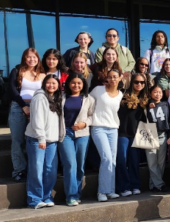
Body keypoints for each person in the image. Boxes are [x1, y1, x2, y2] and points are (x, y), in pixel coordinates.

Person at [24, 74, 63, 209]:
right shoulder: (40, 97)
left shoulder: (56, 98)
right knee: (36, 169)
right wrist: (41, 138)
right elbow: (37, 120)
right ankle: (34, 199)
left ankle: (47, 196)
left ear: (58, 85)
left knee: (50, 170)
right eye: (48, 83)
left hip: (52, 140)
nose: (51, 85)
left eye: (54, 83)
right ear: (44, 84)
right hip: (37, 139)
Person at [7, 48, 45, 182]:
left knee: (35, 139)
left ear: (38, 59)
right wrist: (24, 106)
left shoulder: (42, 74)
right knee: (17, 140)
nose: (32, 59)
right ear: (24, 58)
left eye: (34, 57)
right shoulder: (17, 71)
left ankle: (35, 169)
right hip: (18, 107)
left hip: (37, 108)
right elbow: (12, 90)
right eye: (29, 57)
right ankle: (19, 170)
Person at [58, 73, 95, 206]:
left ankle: (77, 193)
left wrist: (84, 124)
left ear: (83, 84)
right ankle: (71, 196)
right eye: (73, 82)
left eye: (79, 83)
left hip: (82, 134)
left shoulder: (88, 99)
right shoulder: (61, 97)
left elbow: (92, 116)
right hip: (65, 133)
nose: (76, 85)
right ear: (68, 84)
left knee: (79, 165)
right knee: (70, 164)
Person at [89, 68, 124, 202]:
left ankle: (110, 190)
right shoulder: (98, 90)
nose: (113, 79)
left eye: (115, 76)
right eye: (110, 77)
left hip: (113, 128)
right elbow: (87, 103)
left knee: (112, 160)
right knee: (107, 158)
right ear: (107, 78)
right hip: (98, 127)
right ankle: (102, 192)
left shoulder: (121, 94)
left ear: (120, 78)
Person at [116, 73, 149, 197]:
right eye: (136, 82)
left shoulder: (145, 99)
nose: (139, 84)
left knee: (134, 161)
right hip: (122, 132)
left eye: (142, 82)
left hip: (136, 134)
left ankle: (135, 185)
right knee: (121, 160)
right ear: (131, 83)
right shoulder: (123, 95)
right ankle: (123, 187)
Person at [146, 84, 170, 192]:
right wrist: (149, 103)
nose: (158, 94)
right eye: (155, 92)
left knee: (161, 162)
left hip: (162, 135)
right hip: (150, 135)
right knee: (152, 162)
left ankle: (153, 185)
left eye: (160, 92)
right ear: (150, 93)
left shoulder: (166, 104)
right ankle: (160, 185)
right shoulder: (147, 104)